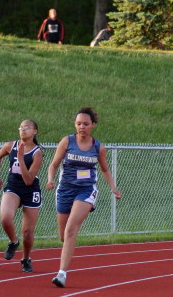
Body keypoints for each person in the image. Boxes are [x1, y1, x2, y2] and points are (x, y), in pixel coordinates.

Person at [46, 107, 121, 287]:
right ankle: (69, 248)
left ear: (93, 125)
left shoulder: (98, 147)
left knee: (71, 228)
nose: (82, 127)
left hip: (86, 190)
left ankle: (62, 274)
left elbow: (104, 169)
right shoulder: (67, 142)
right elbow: (54, 164)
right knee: (64, 236)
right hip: (65, 190)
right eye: (79, 124)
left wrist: (113, 187)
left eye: (86, 124)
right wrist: (50, 179)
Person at [0, 120, 43, 272]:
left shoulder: (37, 153)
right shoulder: (10, 146)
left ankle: (26, 259)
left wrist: (20, 159)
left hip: (30, 190)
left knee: (27, 232)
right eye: (21, 127)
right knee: (5, 217)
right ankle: (14, 242)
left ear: (34, 132)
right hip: (13, 187)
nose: (23, 130)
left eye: (27, 127)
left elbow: (28, 180)